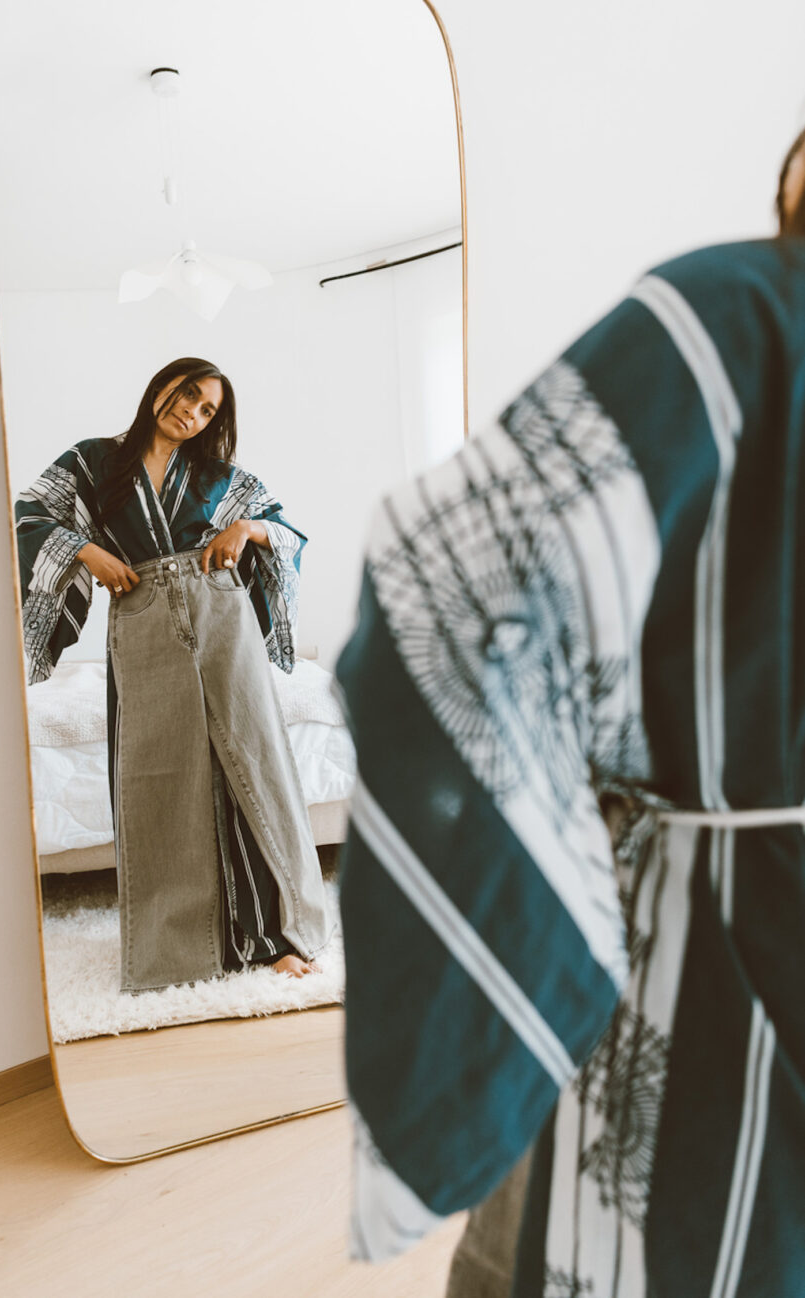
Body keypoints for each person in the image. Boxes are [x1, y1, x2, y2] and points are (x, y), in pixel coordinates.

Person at [334, 127, 805, 1297]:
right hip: (725, 924)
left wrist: (567, 844)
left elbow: (442, 607)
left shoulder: (730, 314)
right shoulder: (741, 317)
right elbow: (450, 597)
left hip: (720, 938)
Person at [16, 357, 331, 991]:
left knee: (250, 762)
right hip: (141, 614)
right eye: (187, 393)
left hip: (220, 611)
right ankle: (175, 948)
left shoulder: (217, 475)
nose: (193, 410)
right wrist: (85, 549)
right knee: (158, 775)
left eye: (209, 408)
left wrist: (246, 529)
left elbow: (288, 532)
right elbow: (29, 514)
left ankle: (276, 935)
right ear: (161, 386)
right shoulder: (93, 462)